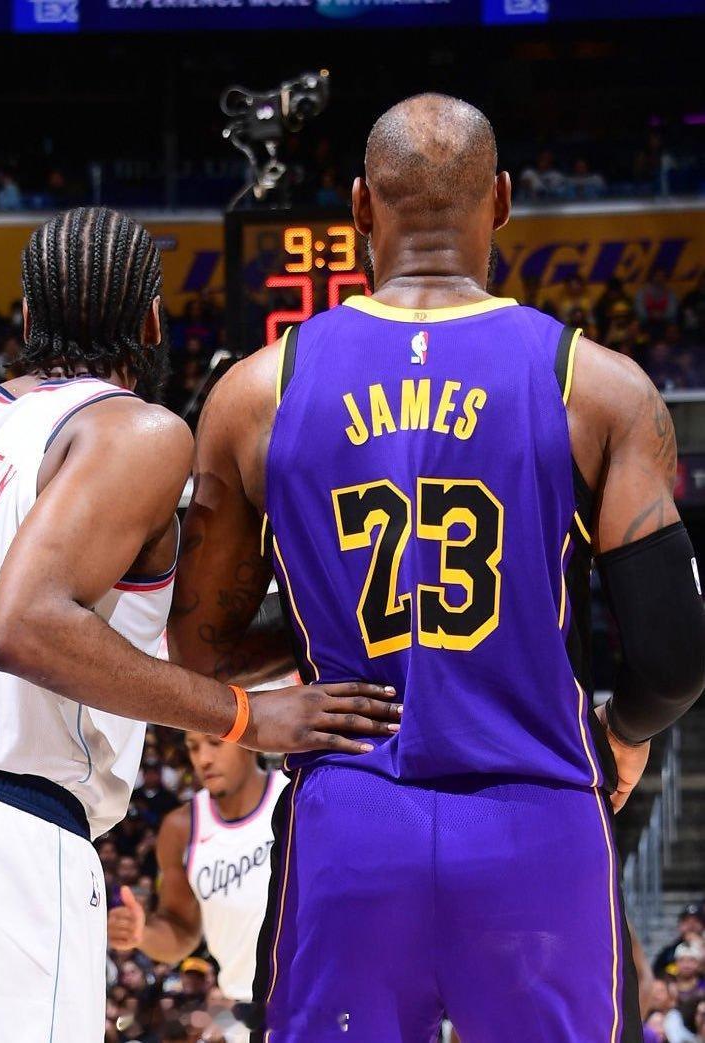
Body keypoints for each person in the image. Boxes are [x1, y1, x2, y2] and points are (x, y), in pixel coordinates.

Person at [0, 206, 395, 1043]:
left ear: (25, 319)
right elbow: (24, 625)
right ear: (152, 323)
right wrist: (247, 715)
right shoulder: (133, 428)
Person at [169, 94, 705, 1042]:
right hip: (537, 818)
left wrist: (328, 633)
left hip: (347, 825)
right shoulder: (597, 385)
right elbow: (672, 658)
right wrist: (624, 731)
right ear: (501, 201)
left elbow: (201, 649)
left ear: (358, 208)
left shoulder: (255, 393)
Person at [109, 733, 291, 1042]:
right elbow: (182, 933)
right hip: (243, 1005)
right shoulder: (181, 827)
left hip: (310, 995)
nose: (203, 759)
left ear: (249, 742)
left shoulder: (292, 797)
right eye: (193, 747)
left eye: (215, 743)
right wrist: (142, 935)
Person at [655, 905, 705, 977]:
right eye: (686, 921)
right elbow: (657, 975)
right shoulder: (669, 952)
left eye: (696, 921)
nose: (691, 926)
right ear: (679, 925)